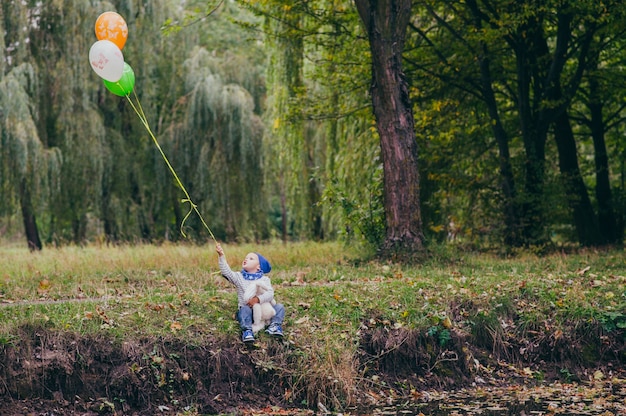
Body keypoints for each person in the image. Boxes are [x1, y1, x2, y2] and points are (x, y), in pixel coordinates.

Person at [215, 243, 285, 343]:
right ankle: (247, 331)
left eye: (251, 258)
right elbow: (227, 272)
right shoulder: (239, 277)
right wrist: (221, 256)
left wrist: (257, 299)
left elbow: (270, 294)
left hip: (264, 312)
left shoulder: (264, 279)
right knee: (243, 310)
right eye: (246, 258)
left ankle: (275, 325)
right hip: (249, 311)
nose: (246, 259)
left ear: (258, 267)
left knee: (280, 307)